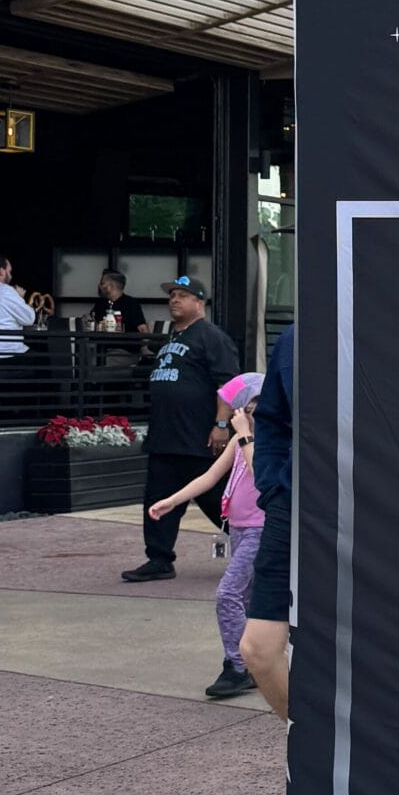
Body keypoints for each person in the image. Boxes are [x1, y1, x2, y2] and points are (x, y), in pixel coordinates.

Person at [148, 374, 265, 698]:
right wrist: (173, 500)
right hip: (240, 530)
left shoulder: (269, 443)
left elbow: (262, 478)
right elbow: (210, 476)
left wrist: (244, 438)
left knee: (228, 594)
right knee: (246, 599)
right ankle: (255, 662)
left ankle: (238, 665)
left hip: (262, 531)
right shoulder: (239, 442)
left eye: (256, 409)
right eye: (247, 408)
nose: (249, 414)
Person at [124, 277, 240, 582]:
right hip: (165, 438)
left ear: (199, 303)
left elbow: (228, 385)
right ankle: (159, 559)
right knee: (157, 500)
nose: (174, 300)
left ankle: (259, 549)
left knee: (217, 499)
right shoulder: (172, 339)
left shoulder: (211, 337)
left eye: (183, 295)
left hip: (199, 438)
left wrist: (221, 425)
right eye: (172, 295)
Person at [239, 323, 293, 722]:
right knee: (256, 648)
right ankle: (314, 741)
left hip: (388, 512)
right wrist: (275, 489)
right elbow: (271, 419)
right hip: (296, 506)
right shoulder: (295, 338)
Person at [0, 255, 37, 357]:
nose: (11, 275)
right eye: (10, 271)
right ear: (2, 271)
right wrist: (20, 296)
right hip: (8, 352)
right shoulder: (5, 290)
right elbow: (29, 319)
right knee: (44, 360)